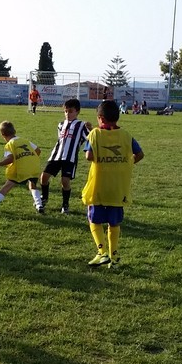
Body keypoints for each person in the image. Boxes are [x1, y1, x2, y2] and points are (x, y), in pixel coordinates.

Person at [82, 100, 144, 268]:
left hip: (99, 186)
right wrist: (126, 163)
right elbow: (140, 154)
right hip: (118, 187)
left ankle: (102, 252)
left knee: (94, 219)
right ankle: (114, 257)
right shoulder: (126, 135)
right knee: (114, 222)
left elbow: (88, 156)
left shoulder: (95, 134)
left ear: (101, 118)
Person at [0, 121, 44, 215]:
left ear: (2, 135)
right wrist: (28, 158)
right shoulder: (25, 140)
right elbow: (38, 151)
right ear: (14, 131)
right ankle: (39, 205)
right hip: (33, 167)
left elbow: (10, 159)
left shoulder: (10, 144)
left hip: (21, 169)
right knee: (32, 185)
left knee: (6, 187)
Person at [39, 98, 92, 214]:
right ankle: (44, 197)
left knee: (65, 181)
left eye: (71, 111)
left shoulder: (81, 125)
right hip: (56, 156)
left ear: (77, 112)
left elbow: (90, 138)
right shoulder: (61, 124)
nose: (67, 114)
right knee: (44, 177)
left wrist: (91, 129)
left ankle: (65, 204)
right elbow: (60, 140)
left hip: (70, 158)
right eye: (66, 111)